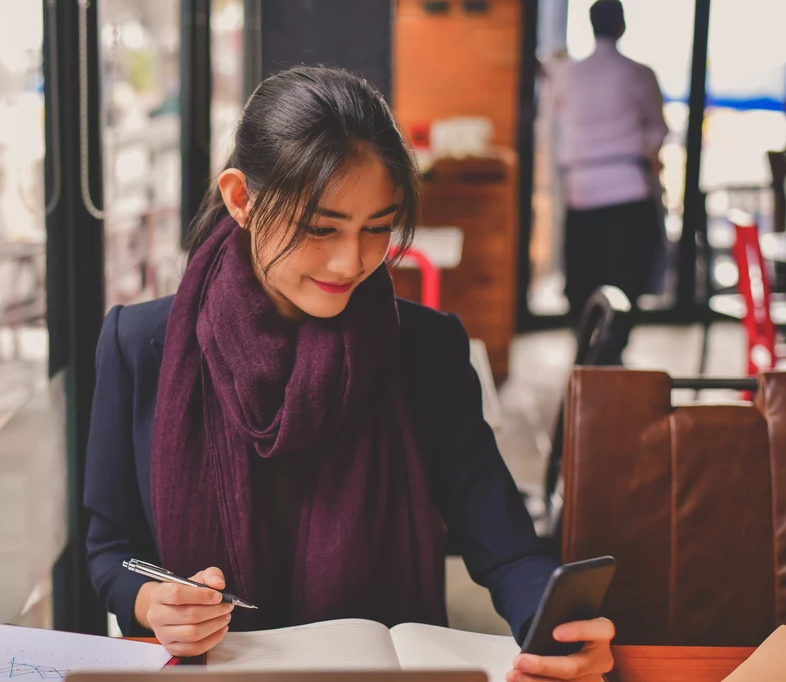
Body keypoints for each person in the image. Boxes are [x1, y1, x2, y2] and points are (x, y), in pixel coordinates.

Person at [85, 65, 615, 681]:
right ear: (240, 199)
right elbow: (108, 551)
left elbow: (507, 548)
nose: (352, 261)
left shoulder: (426, 349)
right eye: (321, 228)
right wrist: (154, 603)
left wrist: (559, 633)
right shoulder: (139, 345)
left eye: (377, 229)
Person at [550, 0, 668, 359]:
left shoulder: (568, 74)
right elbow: (657, 131)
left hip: (581, 189)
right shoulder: (639, 72)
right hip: (627, 187)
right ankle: (612, 349)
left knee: (583, 279)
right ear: (621, 27)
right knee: (626, 279)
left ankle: (587, 347)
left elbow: (559, 115)